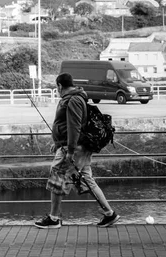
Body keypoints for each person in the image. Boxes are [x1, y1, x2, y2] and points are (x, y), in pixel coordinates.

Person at [35, 72, 120, 229]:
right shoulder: (76, 98)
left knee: (57, 176)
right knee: (87, 179)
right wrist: (59, 143)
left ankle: (54, 218)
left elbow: (74, 127)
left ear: (60, 86)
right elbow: (68, 127)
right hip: (76, 146)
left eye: (57, 87)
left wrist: (70, 150)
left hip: (74, 148)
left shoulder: (73, 100)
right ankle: (110, 214)